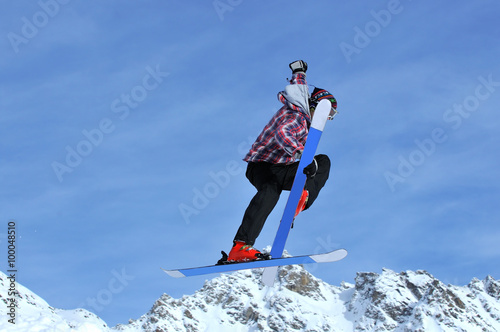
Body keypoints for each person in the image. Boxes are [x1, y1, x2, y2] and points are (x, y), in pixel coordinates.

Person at [226, 60, 338, 263]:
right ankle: (241, 246)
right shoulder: (296, 114)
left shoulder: (303, 115)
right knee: (270, 190)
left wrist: (299, 70)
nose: (327, 119)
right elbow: (282, 133)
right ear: (315, 106)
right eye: (327, 113)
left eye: (331, 116)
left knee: (322, 161)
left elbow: (299, 88)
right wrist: (302, 155)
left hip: (284, 167)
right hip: (262, 165)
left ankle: (303, 197)